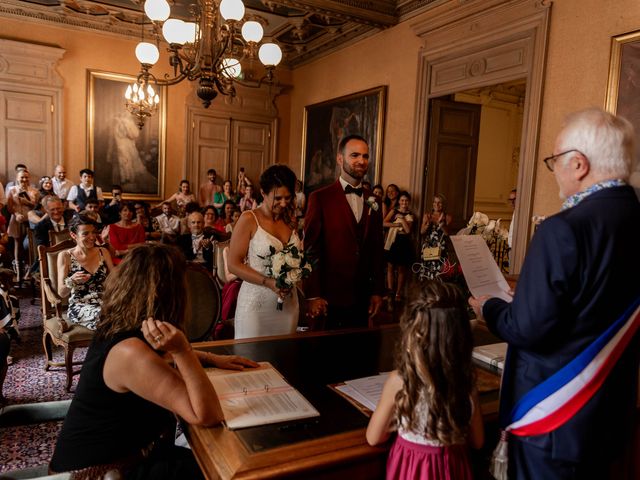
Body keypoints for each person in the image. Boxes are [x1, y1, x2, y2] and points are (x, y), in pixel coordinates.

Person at [469, 108, 640, 479]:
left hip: (554, 418)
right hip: (611, 415)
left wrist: (491, 308)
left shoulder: (562, 230)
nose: (554, 171)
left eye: (555, 161)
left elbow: (527, 328)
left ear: (578, 163)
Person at [49, 243, 258, 478]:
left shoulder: (120, 325)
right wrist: (184, 352)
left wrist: (210, 358)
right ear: (169, 292)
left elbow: (158, 354)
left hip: (129, 453)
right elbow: (207, 415)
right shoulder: (129, 352)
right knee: (226, 470)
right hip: (103, 471)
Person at [366, 281, 484, 479]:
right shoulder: (466, 380)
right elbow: (478, 441)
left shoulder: (400, 380)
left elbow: (374, 438)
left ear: (414, 331)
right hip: (453, 466)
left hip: (412, 467)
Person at [304, 134, 385, 330]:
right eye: (354, 155)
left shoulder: (374, 200)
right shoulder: (320, 198)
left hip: (362, 296)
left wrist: (376, 291)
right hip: (329, 296)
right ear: (340, 159)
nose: (361, 161)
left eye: (365, 156)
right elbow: (311, 250)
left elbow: (376, 249)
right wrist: (313, 295)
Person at [228, 165, 301, 339]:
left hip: (288, 305)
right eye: (277, 198)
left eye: (288, 198)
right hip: (256, 306)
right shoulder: (248, 219)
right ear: (263, 193)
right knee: (252, 360)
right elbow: (233, 264)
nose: (283, 203)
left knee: (283, 359)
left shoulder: (290, 220)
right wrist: (268, 282)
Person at [57, 215, 113, 331]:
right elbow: (61, 293)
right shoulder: (65, 256)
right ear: (73, 235)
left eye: (93, 232)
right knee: (105, 318)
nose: (92, 237)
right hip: (81, 305)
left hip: (105, 302)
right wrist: (72, 281)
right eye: (85, 234)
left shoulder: (103, 251)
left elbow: (115, 278)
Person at [383, 191, 414, 302]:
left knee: (402, 269)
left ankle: (398, 293)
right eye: (402, 200)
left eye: (406, 200)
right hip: (393, 241)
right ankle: (390, 292)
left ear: (409, 202)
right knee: (390, 267)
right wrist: (397, 224)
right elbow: (384, 223)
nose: (404, 202)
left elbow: (408, 230)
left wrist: (402, 218)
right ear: (399, 201)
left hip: (403, 241)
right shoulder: (394, 211)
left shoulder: (410, 215)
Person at [7, 169, 39, 278]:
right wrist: (16, 214)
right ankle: (18, 273)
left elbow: (36, 207)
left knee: (30, 245)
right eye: (22, 177)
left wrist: (27, 202)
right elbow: (9, 207)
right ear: (17, 178)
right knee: (18, 245)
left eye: (26, 177)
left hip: (30, 221)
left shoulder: (34, 191)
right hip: (17, 220)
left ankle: (29, 271)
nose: (24, 179)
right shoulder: (12, 190)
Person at [419, 193, 453, 281]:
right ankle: (427, 292)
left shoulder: (447, 217)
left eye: (439, 203)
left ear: (443, 204)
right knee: (427, 271)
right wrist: (427, 224)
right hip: (428, 246)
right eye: (435, 202)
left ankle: (438, 292)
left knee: (439, 272)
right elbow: (422, 231)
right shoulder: (427, 215)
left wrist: (440, 224)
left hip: (441, 248)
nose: (437, 205)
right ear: (433, 203)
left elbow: (447, 233)